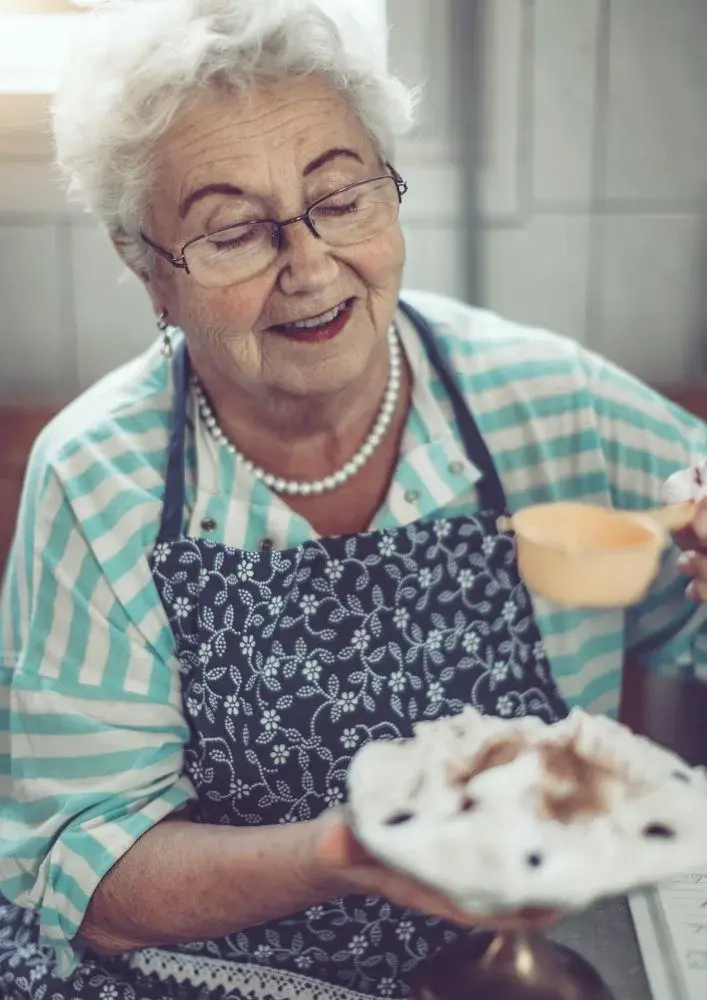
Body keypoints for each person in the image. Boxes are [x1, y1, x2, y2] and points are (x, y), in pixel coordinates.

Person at [1, 1, 706, 998]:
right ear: (143, 265)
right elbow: (85, 876)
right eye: (233, 230)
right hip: (192, 975)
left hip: (507, 968)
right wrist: (346, 848)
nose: (309, 265)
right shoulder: (95, 476)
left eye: (340, 198)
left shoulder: (553, 406)